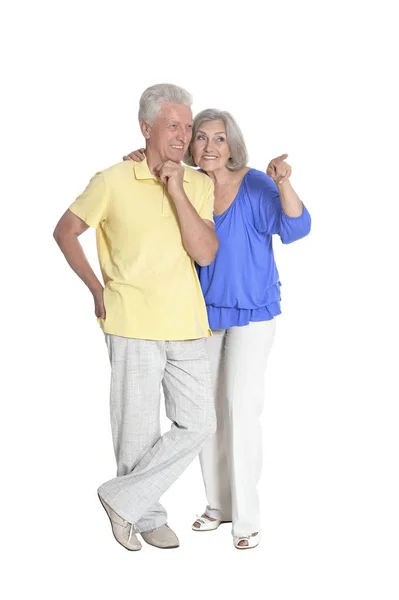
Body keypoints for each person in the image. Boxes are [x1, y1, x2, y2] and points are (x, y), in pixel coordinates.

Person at [123, 107, 311, 549]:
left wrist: (283, 180)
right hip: (200, 314)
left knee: (240, 409)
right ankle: (217, 506)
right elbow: (150, 204)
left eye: (219, 138)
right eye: (201, 138)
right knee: (203, 416)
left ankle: (246, 517)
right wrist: (140, 160)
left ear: (233, 144)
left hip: (252, 312)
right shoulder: (186, 183)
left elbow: (297, 227)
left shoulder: (253, 182)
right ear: (189, 145)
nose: (209, 146)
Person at [53, 84, 219, 552]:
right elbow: (66, 231)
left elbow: (205, 253)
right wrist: (94, 287)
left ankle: (120, 500)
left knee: (199, 423)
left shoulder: (199, 183)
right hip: (132, 319)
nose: (183, 136)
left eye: (188, 127)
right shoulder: (112, 180)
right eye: (174, 126)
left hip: (186, 321)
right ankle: (145, 515)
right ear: (145, 128)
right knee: (137, 430)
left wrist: (175, 186)